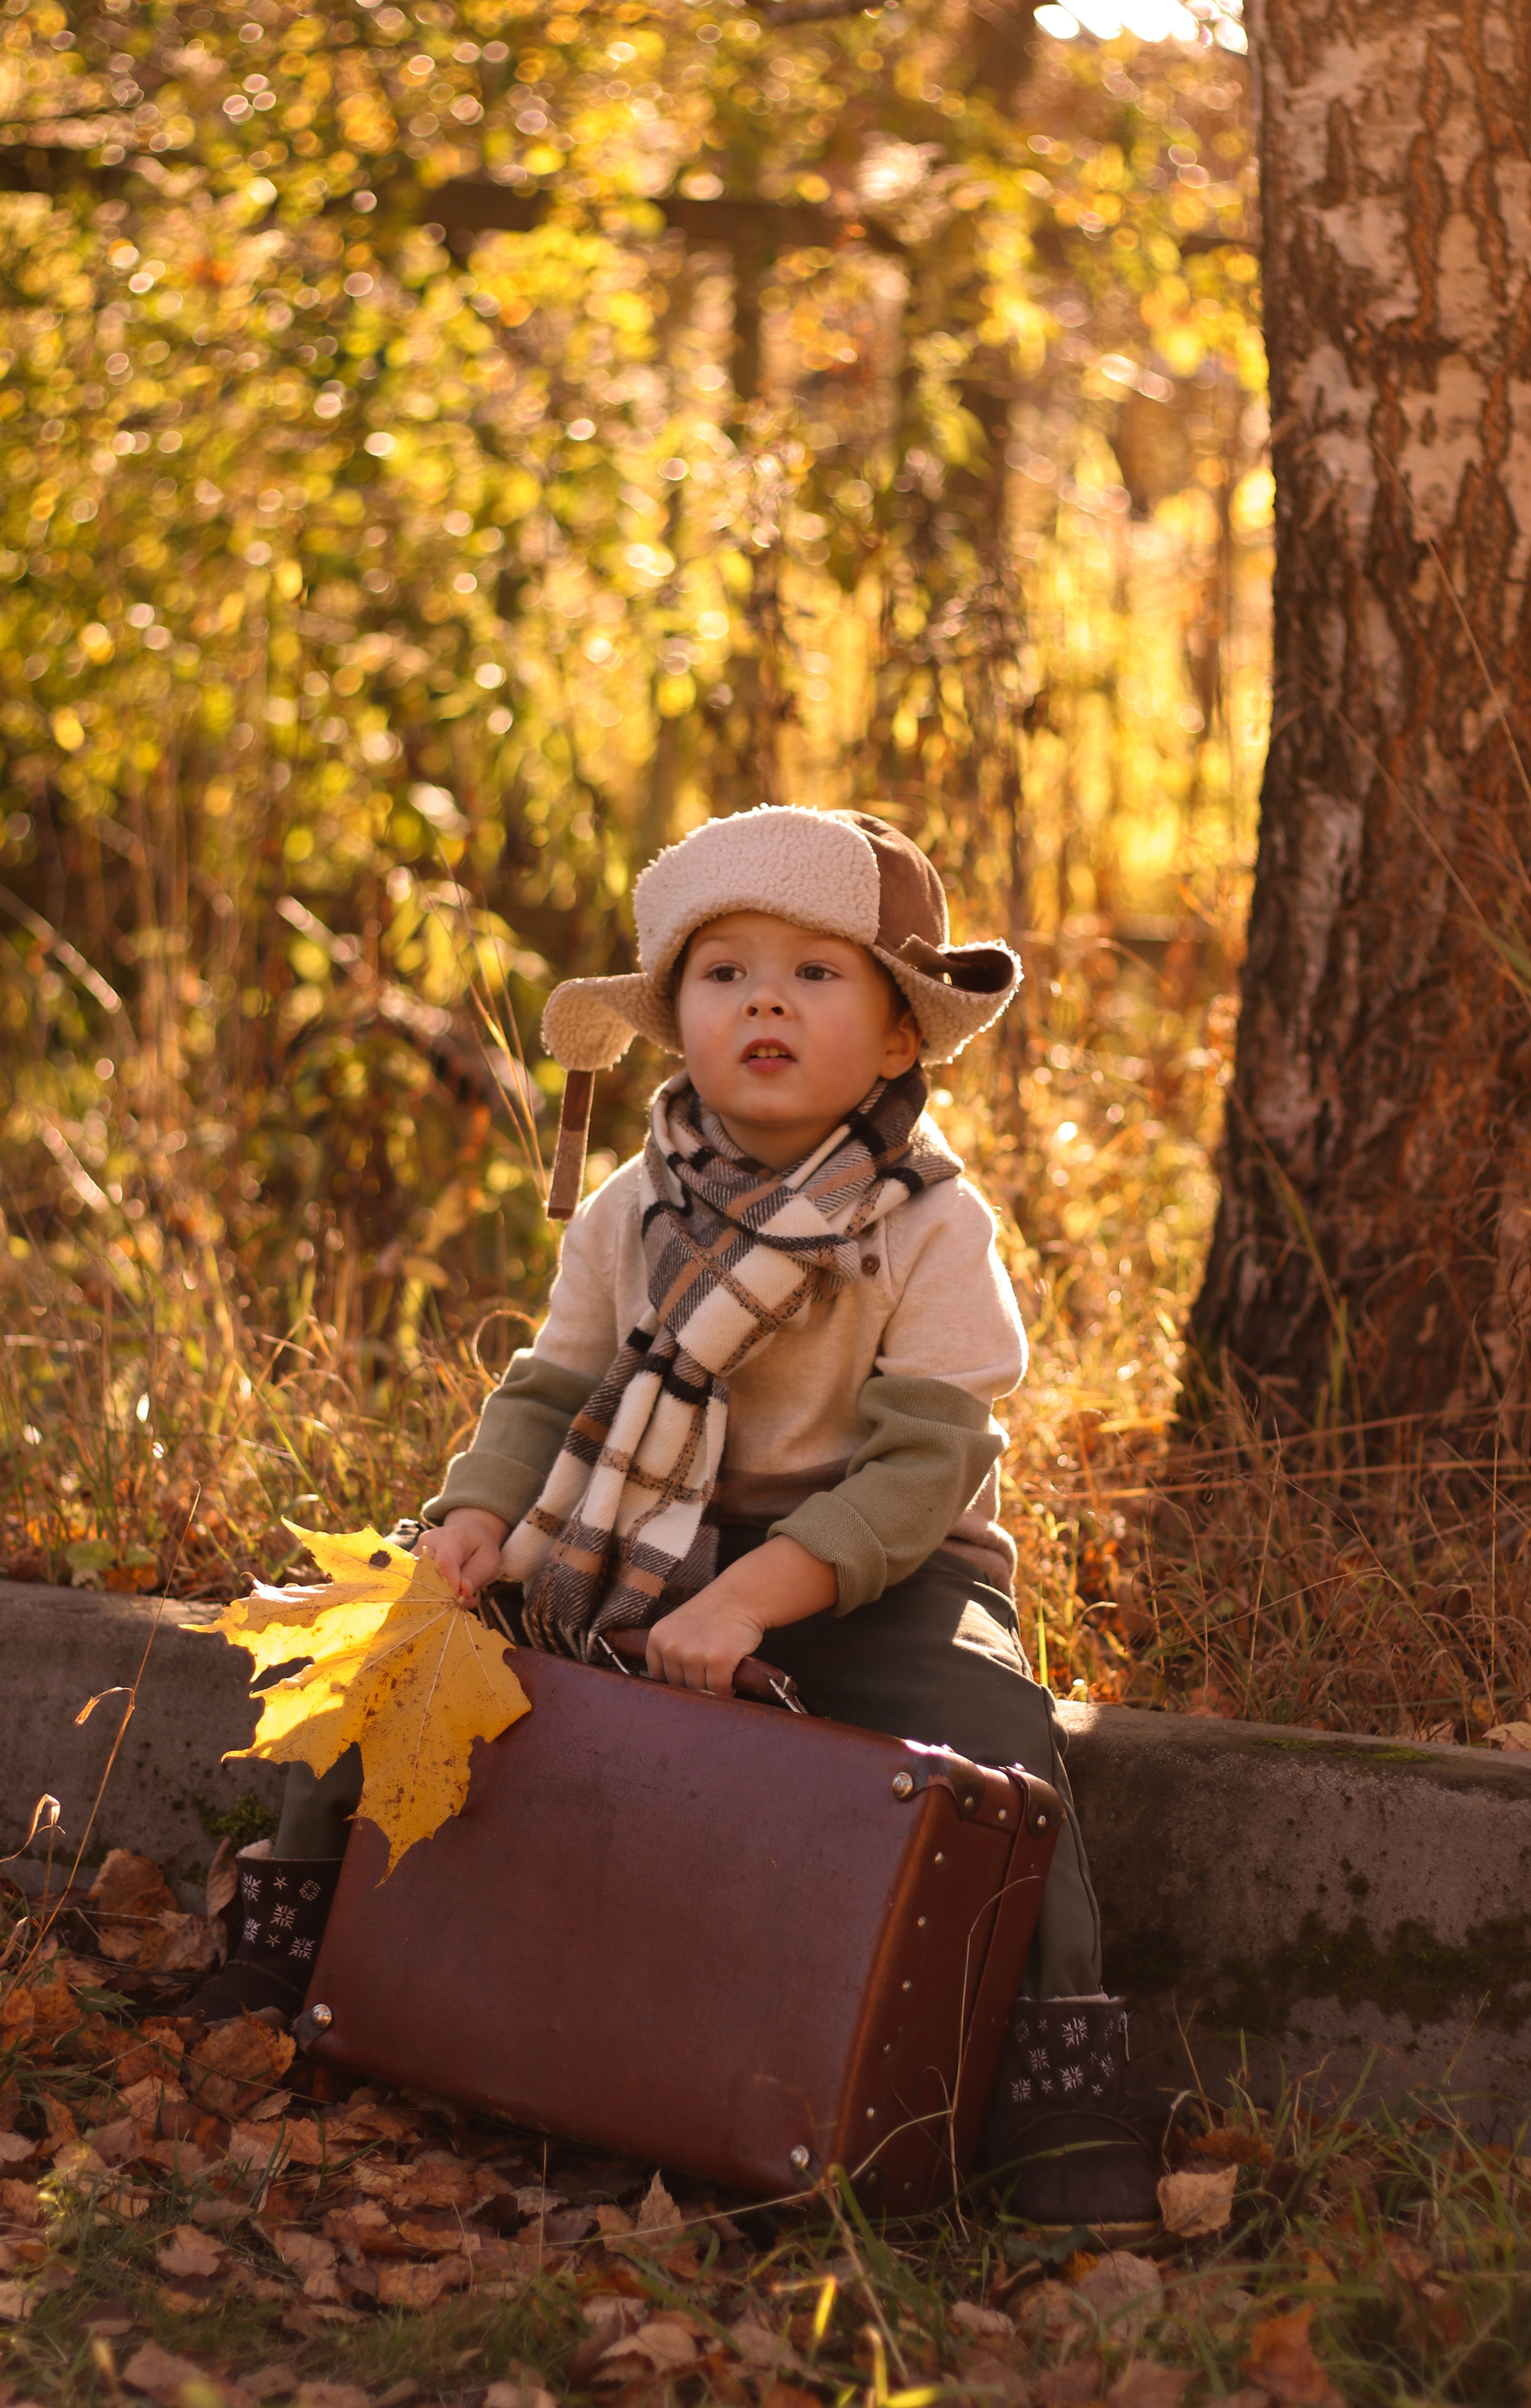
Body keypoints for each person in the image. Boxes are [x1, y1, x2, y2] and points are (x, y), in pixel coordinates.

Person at [188, 805, 1157, 2235]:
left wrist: (760, 1594)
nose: (764, 998)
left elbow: (922, 1468)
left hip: (873, 1566)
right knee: (403, 1639)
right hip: (627, 1527)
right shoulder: (633, 1207)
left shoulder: (928, 1226)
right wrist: (474, 1518)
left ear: (898, 1039)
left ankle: (1055, 2079)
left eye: (815, 975)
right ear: (674, 1022)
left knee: (998, 1742)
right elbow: (551, 1387)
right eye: (724, 974)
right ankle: (289, 1939)